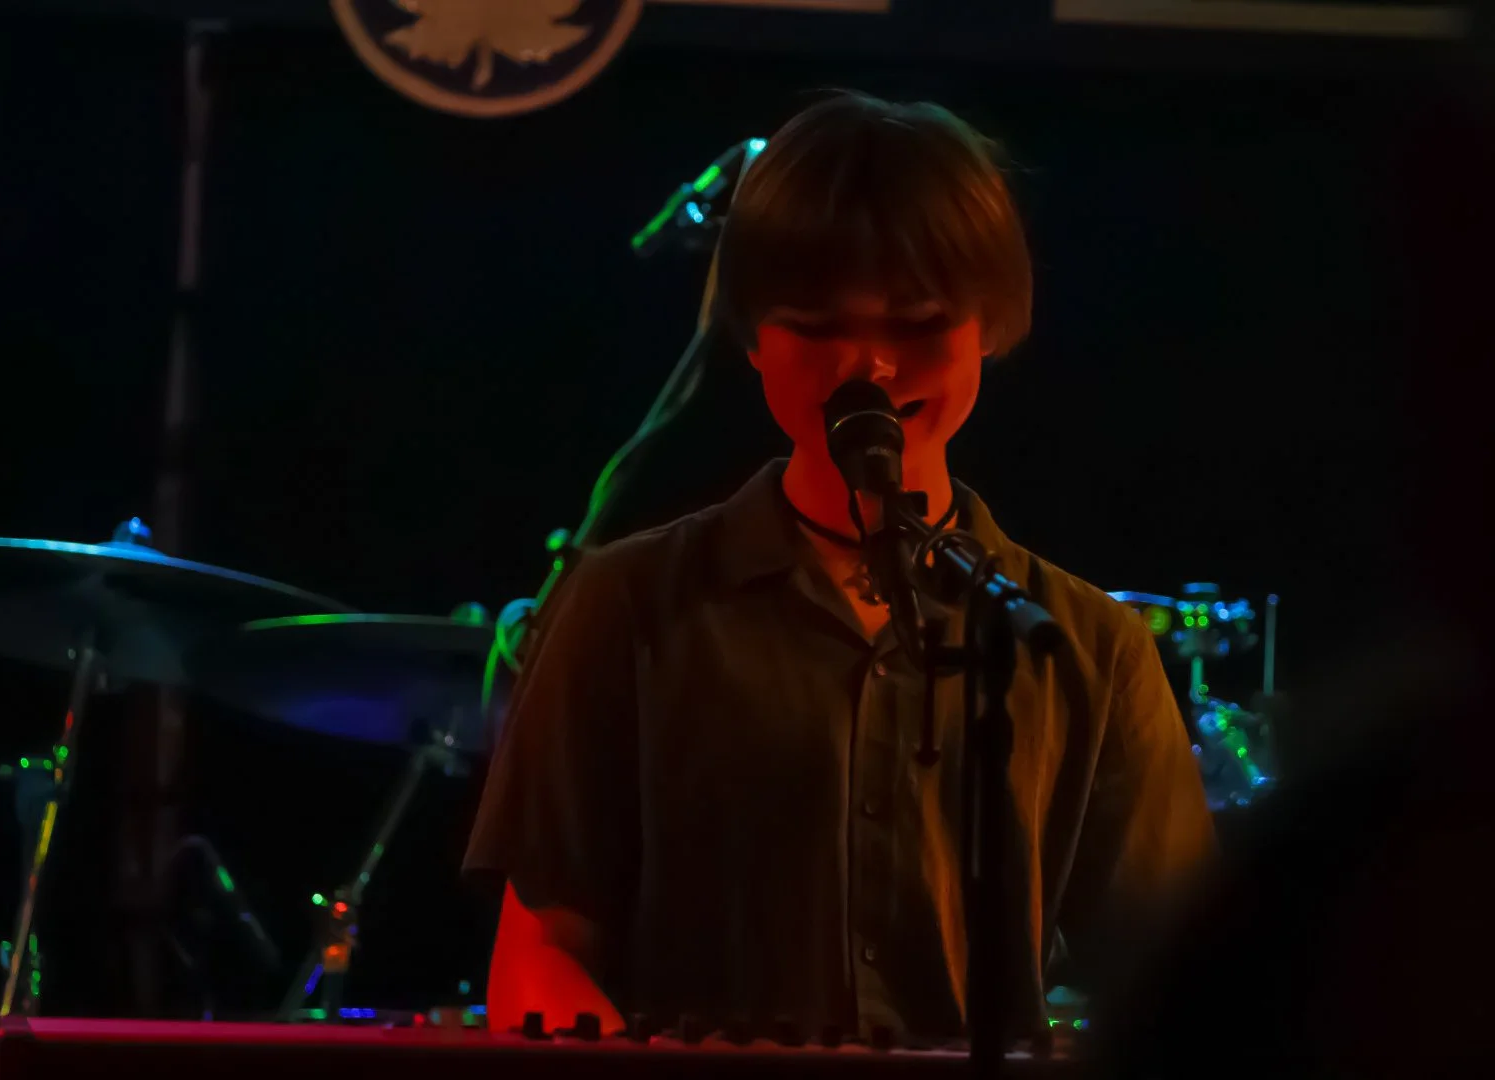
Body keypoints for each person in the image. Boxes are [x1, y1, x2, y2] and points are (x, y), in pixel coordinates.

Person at [463, 90, 1215, 1041]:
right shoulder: (625, 605)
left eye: (918, 322)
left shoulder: (1089, 648)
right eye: (818, 324)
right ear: (753, 333)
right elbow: (542, 953)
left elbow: (1183, 989)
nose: (868, 368)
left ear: (989, 322)